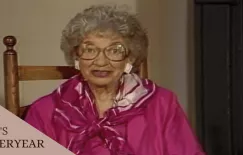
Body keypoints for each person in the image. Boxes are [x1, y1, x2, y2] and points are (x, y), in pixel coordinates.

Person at [25, 4, 205, 155]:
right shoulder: (44, 111)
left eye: (114, 50)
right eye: (89, 49)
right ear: (76, 57)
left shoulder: (162, 104)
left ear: (130, 58)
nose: (101, 61)